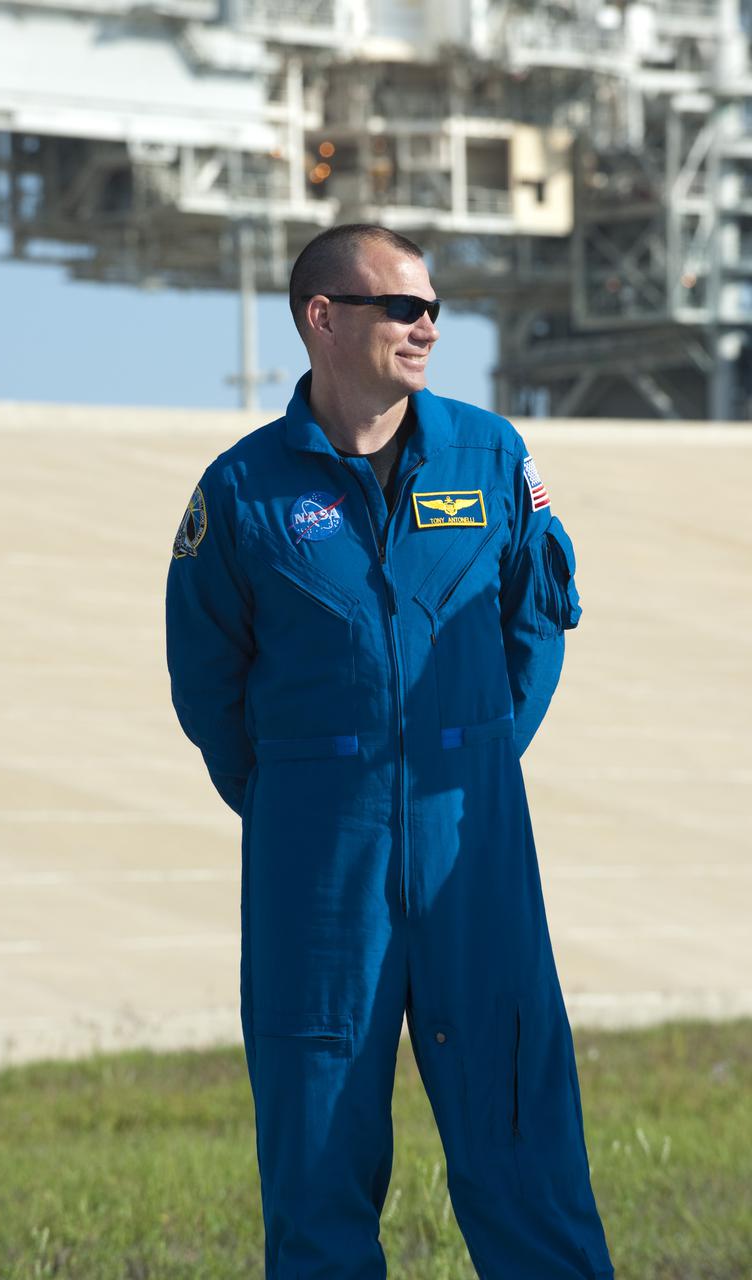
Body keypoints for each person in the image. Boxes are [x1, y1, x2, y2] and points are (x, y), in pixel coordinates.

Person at [165, 223, 615, 1279]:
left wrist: (467, 769)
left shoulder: (490, 455)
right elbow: (206, 683)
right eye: (399, 306)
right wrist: (306, 795)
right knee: (317, 1147)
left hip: (472, 850)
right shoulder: (240, 492)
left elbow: (534, 626)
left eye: (432, 307)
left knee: (523, 1139)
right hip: (318, 867)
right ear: (323, 319)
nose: (426, 325)